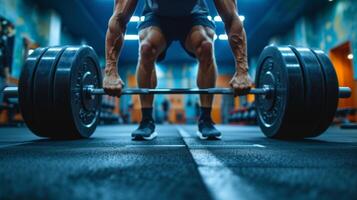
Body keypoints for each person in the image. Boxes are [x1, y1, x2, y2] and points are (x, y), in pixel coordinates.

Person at [103, 0, 253, 140]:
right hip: (156, 16)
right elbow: (119, 18)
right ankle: (146, 120)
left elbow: (232, 18)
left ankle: (206, 119)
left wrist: (242, 71)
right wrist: (110, 71)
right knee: (146, 48)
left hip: (194, 14)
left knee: (206, 46)